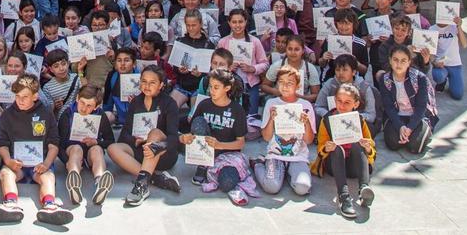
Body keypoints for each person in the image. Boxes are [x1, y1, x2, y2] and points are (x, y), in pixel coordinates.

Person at [0, 74, 73, 225]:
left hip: (40, 164)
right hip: (16, 164)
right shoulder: (7, 115)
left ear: (35, 96)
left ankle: (49, 206)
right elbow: (3, 144)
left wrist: (46, 163)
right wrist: (8, 161)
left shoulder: (46, 113)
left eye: (25, 96)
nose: (20, 100)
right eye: (17, 96)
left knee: (48, 177)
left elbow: (53, 144)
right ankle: (11, 204)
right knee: (5, 173)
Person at [107, 64, 182, 206]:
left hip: (163, 152)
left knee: (154, 132)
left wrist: (155, 144)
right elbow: (125, 134)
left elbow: (174, 137)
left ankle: (141, 185)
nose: (147, 86)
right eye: (143, 81)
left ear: (161, 85)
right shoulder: (135, 102)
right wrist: (134, 140)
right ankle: (155, 178)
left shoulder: (170, 103)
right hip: (141, 151)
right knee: (113, 148)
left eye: (152, 82)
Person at [182, 69, 254, 205]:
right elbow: (195, 129)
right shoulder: (204, 104)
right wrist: (187, 139)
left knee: (227, 184)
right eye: (210, 86)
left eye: (216, 87)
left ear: (227, 88)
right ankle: (203, 166)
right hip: (205, 151)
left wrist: (220, 145)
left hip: (228, 154)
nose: (211, 90)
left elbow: (240, 143)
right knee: (197, 122)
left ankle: (249, 166)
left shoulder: (237, 110)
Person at [310, 82, 376, 219]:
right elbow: (320, 151)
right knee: (337, 148)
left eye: (347, 102)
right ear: (334, 101)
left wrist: (368, 147)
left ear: (355, 104)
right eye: (339, 101)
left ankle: (364, 188)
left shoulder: (359, 120)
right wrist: (326, 148)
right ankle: (344, 196)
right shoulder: (327, 120)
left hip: (353, 167)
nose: (342, 105)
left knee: (359, 146)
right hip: (333, 164)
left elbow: (372, 149)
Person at [254, 65, 316, 196]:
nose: (285, 86)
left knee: (302, 188)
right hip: (275, 154)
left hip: (298, 156)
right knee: (271, 187)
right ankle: (258, 164)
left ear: (298, 86)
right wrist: (271, 119)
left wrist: (307, 124)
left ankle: (289, 173)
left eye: (290, 83)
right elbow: (266, 137)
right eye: (281, 82)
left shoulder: (305, 106)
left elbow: (309, 140)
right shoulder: (271, 103)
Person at [57, 84, 115, 206]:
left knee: (97, 149)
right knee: (76, 149)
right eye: (82, 103)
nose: (84, 108)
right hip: (72, 152)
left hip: (90, 151)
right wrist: (66, 161)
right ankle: (74, 183)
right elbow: (59, 143)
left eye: (89, 106)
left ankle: (100, 183)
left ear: (96, 106)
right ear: (77, 98)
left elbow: (110, 140)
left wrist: (98, 142)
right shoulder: (67, 114)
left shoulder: (100, 115)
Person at [376, 45, 438, 154]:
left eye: (403, 61)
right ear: (390, 60)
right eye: (395, 60)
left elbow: (421, 107)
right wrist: (400, 126)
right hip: (397, 116)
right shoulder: (385, 79)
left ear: (409, 62)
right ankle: (403, 132)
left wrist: (409, 128)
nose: (399, 64)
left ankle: (423, 130)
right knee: (393, 144)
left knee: (415, 148)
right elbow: (389, 107)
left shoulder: (419, 78)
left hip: (418, 117)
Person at [432, 15, 467, 100]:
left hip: (455, 64)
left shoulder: (454, 27)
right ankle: (442, 82)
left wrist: (459, 26)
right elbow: (430, 52)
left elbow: (464, 44)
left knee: (457, 95)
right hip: (441, 64)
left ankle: (452, 80)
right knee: (438, 76)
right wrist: (434, 62)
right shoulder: (432, 29)